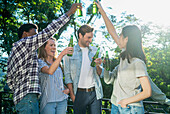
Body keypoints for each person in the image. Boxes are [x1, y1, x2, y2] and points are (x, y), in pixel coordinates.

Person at [6, 3, 82, 114]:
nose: (37, 38)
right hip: (28, 99)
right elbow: (46, 33)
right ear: (25, 35)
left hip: (23, 98)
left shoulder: (17, 52)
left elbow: (9, 79)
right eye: (34, 34)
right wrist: (69, 13)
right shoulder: (23, 44)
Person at [95, 0, 170, 107]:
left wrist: (165, 100)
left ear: (126, 39)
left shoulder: (137, 62)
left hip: (130, 108)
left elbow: (149, 88)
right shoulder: (124, 56)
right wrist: (101, 10)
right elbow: (112, 31)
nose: (118, 37)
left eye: (120, 35)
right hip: (117, 106)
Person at [64, 25, 104, 114]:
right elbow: (67, 76)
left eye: (91, 38)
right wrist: (72, 94)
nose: (90, 40)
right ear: (80, 35)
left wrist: (98, 66)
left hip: (95, 93)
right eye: (88, 37)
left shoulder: (95, 51)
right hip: (79, 93)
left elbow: (100, 74)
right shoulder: (69, 53)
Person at [38, 37, 73, 114]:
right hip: (48, 102)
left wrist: (67, 89)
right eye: (51, 45)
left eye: (55, 45)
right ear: (44, 48)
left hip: (62, 101)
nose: (54, 47)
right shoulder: (40, 62)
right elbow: (50, 71)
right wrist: (62, 54)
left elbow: (57, 81)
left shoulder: (58, 63)